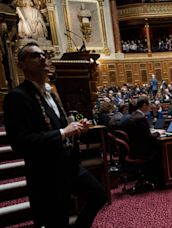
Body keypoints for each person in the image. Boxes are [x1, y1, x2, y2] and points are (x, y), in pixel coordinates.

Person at [3, 42, 107, 227]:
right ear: (22, 65)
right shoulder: (17, 97)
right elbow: (20, 142)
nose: (42, 58)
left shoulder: (51, 93)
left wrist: (75, 128)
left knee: (98, 195)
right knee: (57, 220)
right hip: (46, 172)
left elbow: (60, 126)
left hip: (69, 165)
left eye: (43, 54)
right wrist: (62, 132)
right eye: (34, 55)